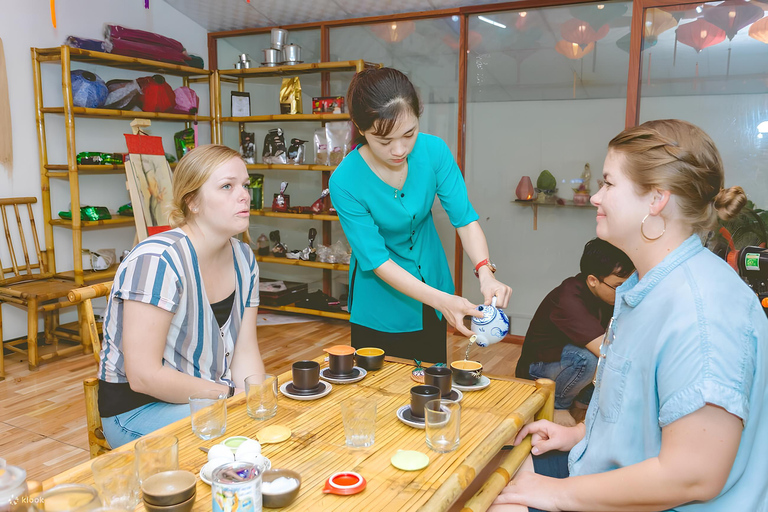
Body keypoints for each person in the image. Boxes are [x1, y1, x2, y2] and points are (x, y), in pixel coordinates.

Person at [491, 119, 768, 512]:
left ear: (656, 199)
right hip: (601, 473)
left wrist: (553, 495)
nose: (595, 198)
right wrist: (581, 435)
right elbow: (646, 411)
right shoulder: (647, 283)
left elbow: (694, 474)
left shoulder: (702, 311)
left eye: (608, 183)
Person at [329, 67, 512, 363]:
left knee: (430, 388)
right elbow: (376, 261)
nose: (399, 149)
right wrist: (444, 301)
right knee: (379, 394)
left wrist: (485, 273)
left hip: (434, 285)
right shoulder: (344, 181)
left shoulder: (433, 151)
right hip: (381, 301)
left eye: (409, 134)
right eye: (384, 141)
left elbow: (464, 219)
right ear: (360, 129)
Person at [98, 144, 265, 448]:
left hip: (209, 399)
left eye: (245, 184)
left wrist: (256, 401)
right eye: (227, 186)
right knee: (237, 441)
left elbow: (245, 352)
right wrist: (227, 396)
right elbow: (144, 377)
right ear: (193, 202)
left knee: (266, 426)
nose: (243, 195)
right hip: (137, 411)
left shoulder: (244, 258)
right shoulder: (157, 260)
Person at [515, 238, 634, 426]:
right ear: (593, 280)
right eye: (619, 286)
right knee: (591, 359)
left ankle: (580, 401)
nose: (625, 292)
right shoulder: (569, 299)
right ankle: (558, 405)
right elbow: (606, 351)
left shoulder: (606, 294)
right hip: (538, 368)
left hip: (569, 361)